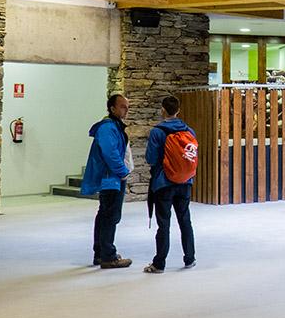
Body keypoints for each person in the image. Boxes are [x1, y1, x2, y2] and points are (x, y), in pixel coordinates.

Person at [143, 95, 197, 273]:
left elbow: (151, 158)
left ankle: (159, 263)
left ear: (162, 110)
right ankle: (190, 258)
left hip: (163, 183)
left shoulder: (157, 132)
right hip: (185, 182)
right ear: (178, 110)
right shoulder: (189, 131)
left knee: (164, 224)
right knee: (185, 220)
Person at [80, 93, 133, 269]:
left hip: (112, 178)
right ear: (112, 108)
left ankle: (101, 253)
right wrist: (122, 172)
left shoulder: (113, 126)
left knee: (104, 215)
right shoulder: (108, 128)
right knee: (110, 216)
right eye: (123, 106)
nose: (126, 109)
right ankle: (108, 256)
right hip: (111, 179)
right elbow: (111, 153)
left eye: (127, 106)